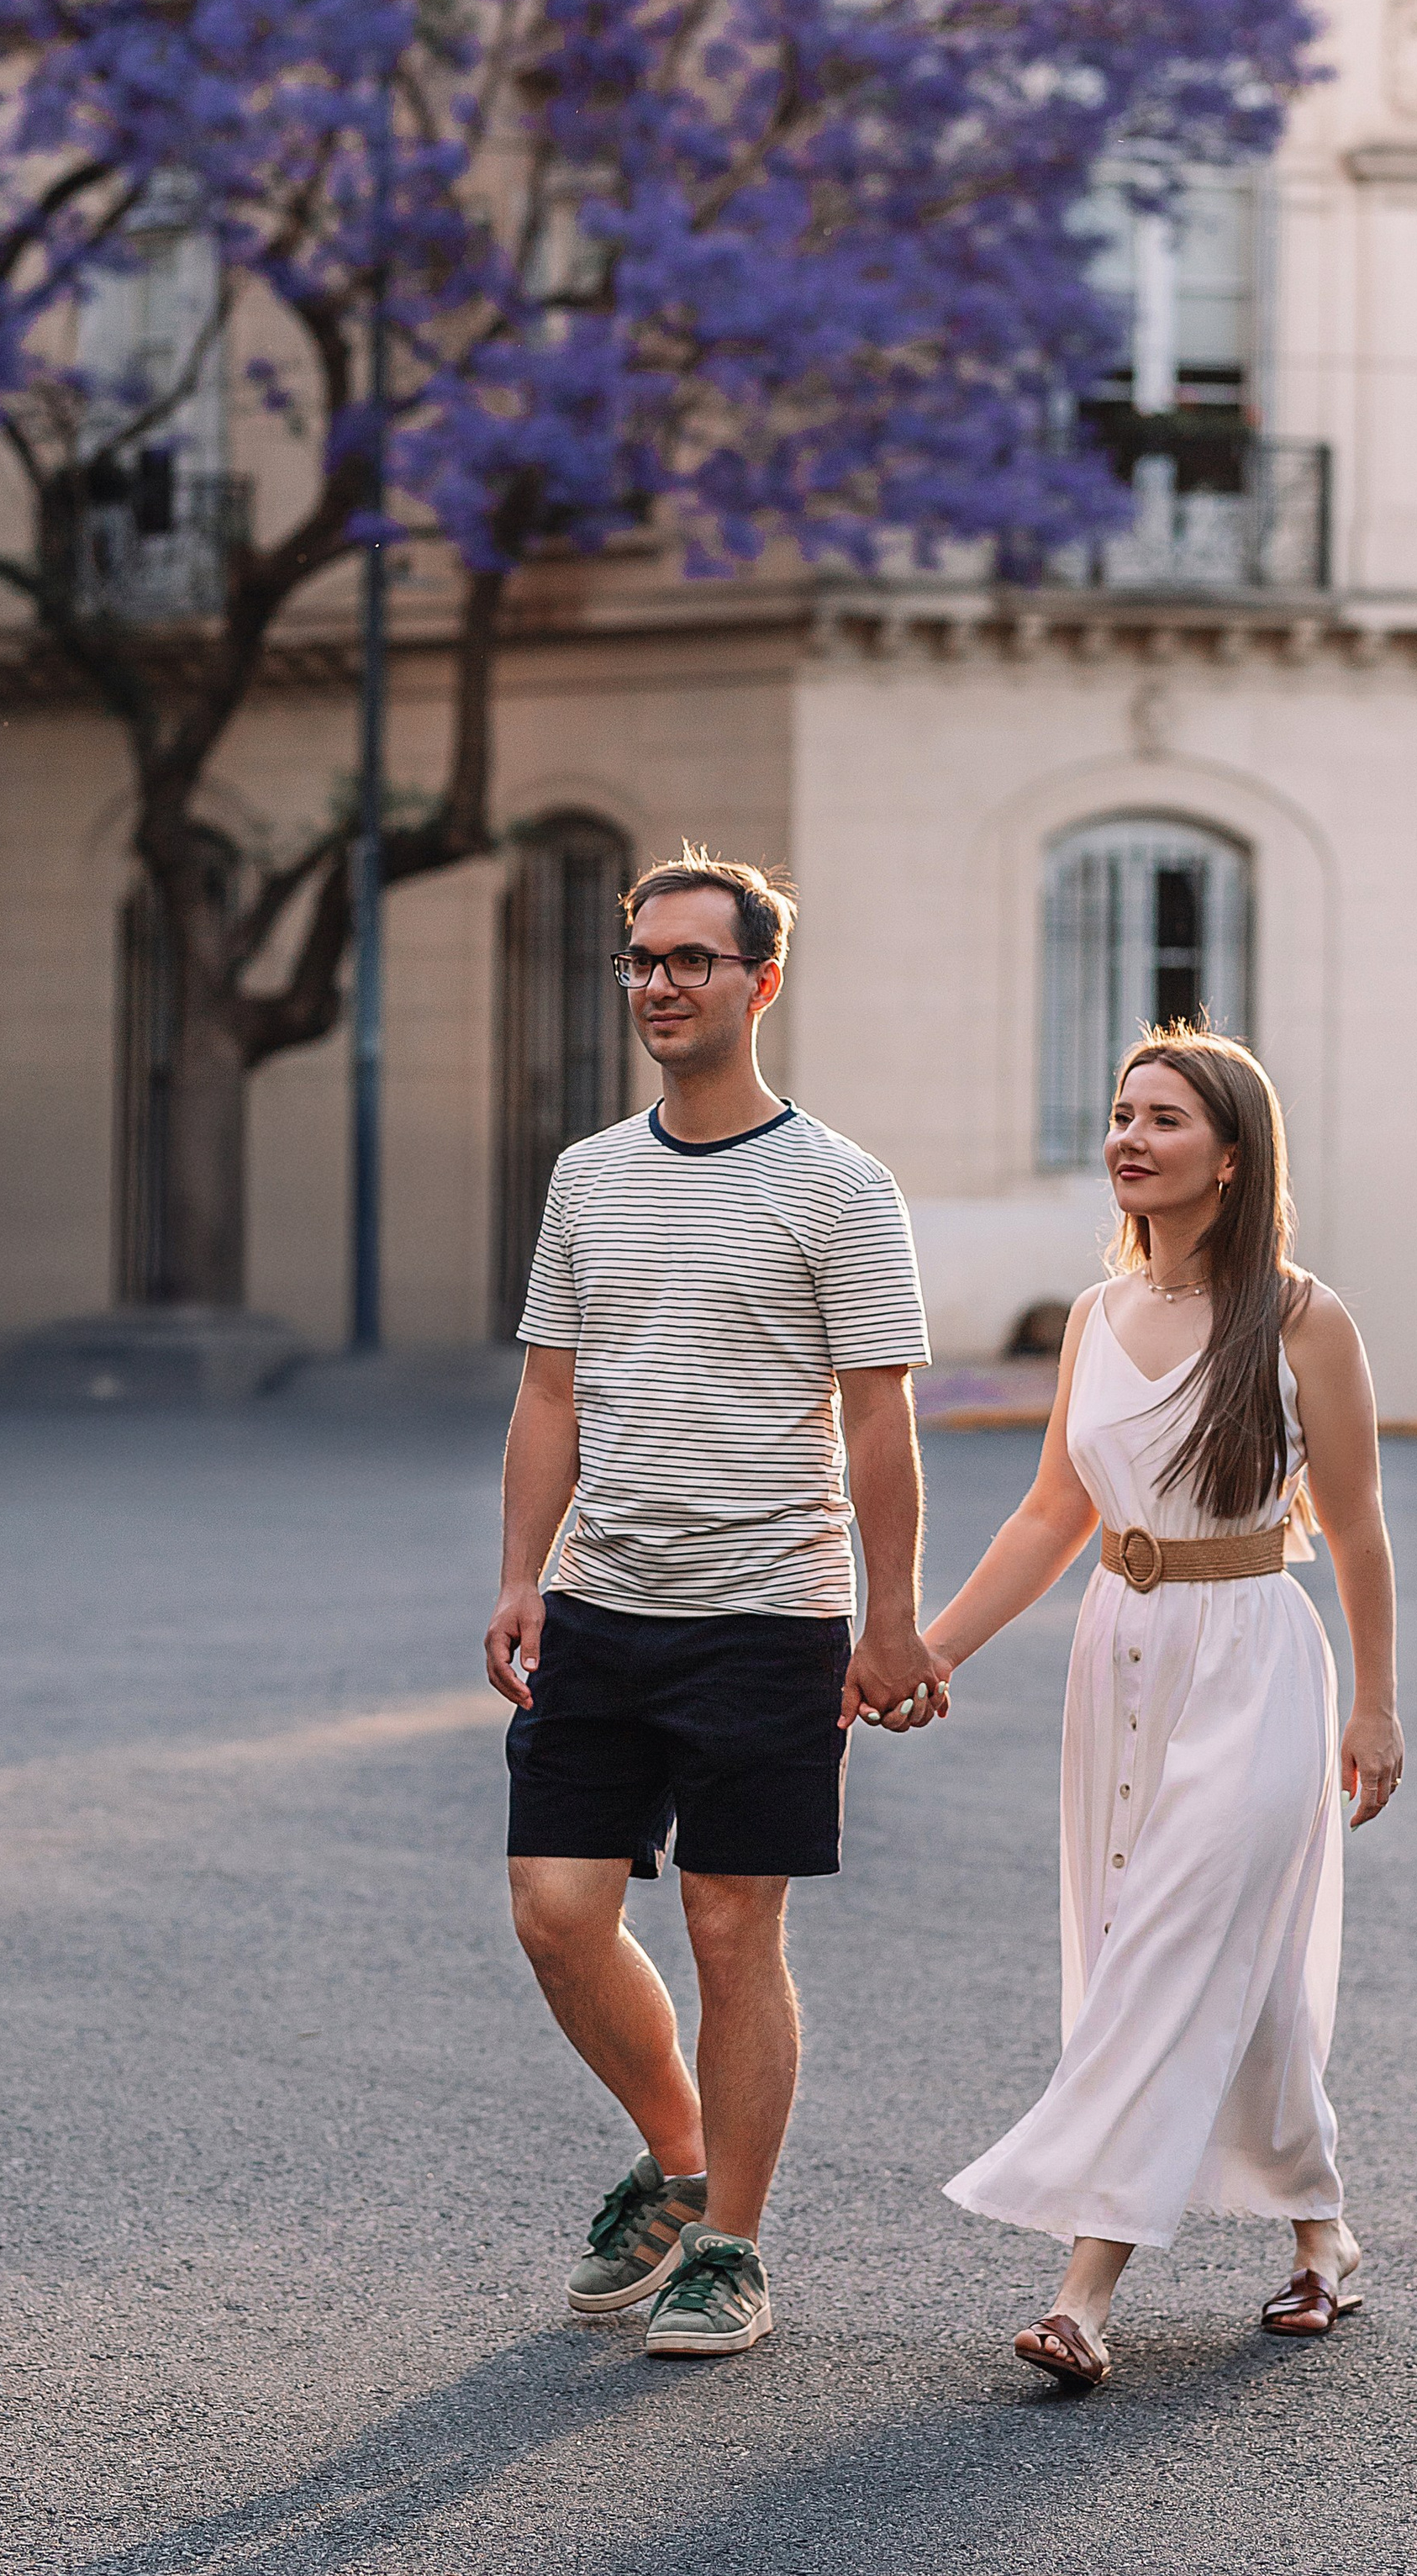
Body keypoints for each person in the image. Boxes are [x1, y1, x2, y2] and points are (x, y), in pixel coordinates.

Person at [485, 844, 939, 2358]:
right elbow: (550, 1390)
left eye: (695, 959)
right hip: (604, 1603)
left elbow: (879, 1420)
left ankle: (730, 2240)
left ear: (762, 979)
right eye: (644, 961)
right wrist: (519, 1575)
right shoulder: (588, 1177)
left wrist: (891, 1617)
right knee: (557, 1912)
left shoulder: (841, 1188)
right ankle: (680, 2157)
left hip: (769, 1614)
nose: (664, 983)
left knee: (734, 1928)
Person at [924, 1024, 1404, 2390]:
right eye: (1123, 1113)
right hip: (1119, 1654)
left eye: (1167, 1118)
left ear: (1233, 1155)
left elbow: (1359, 1532)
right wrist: (927, 1650)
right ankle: (1322, 2234)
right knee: (1196, 1953)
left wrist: (1375, 1706)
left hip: (1255, 1657)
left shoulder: (1307, 1317)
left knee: (1174, 1944)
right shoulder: (1091, 1317)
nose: (1130, 1136)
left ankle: (1084, 2291)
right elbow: (1045, 1518)